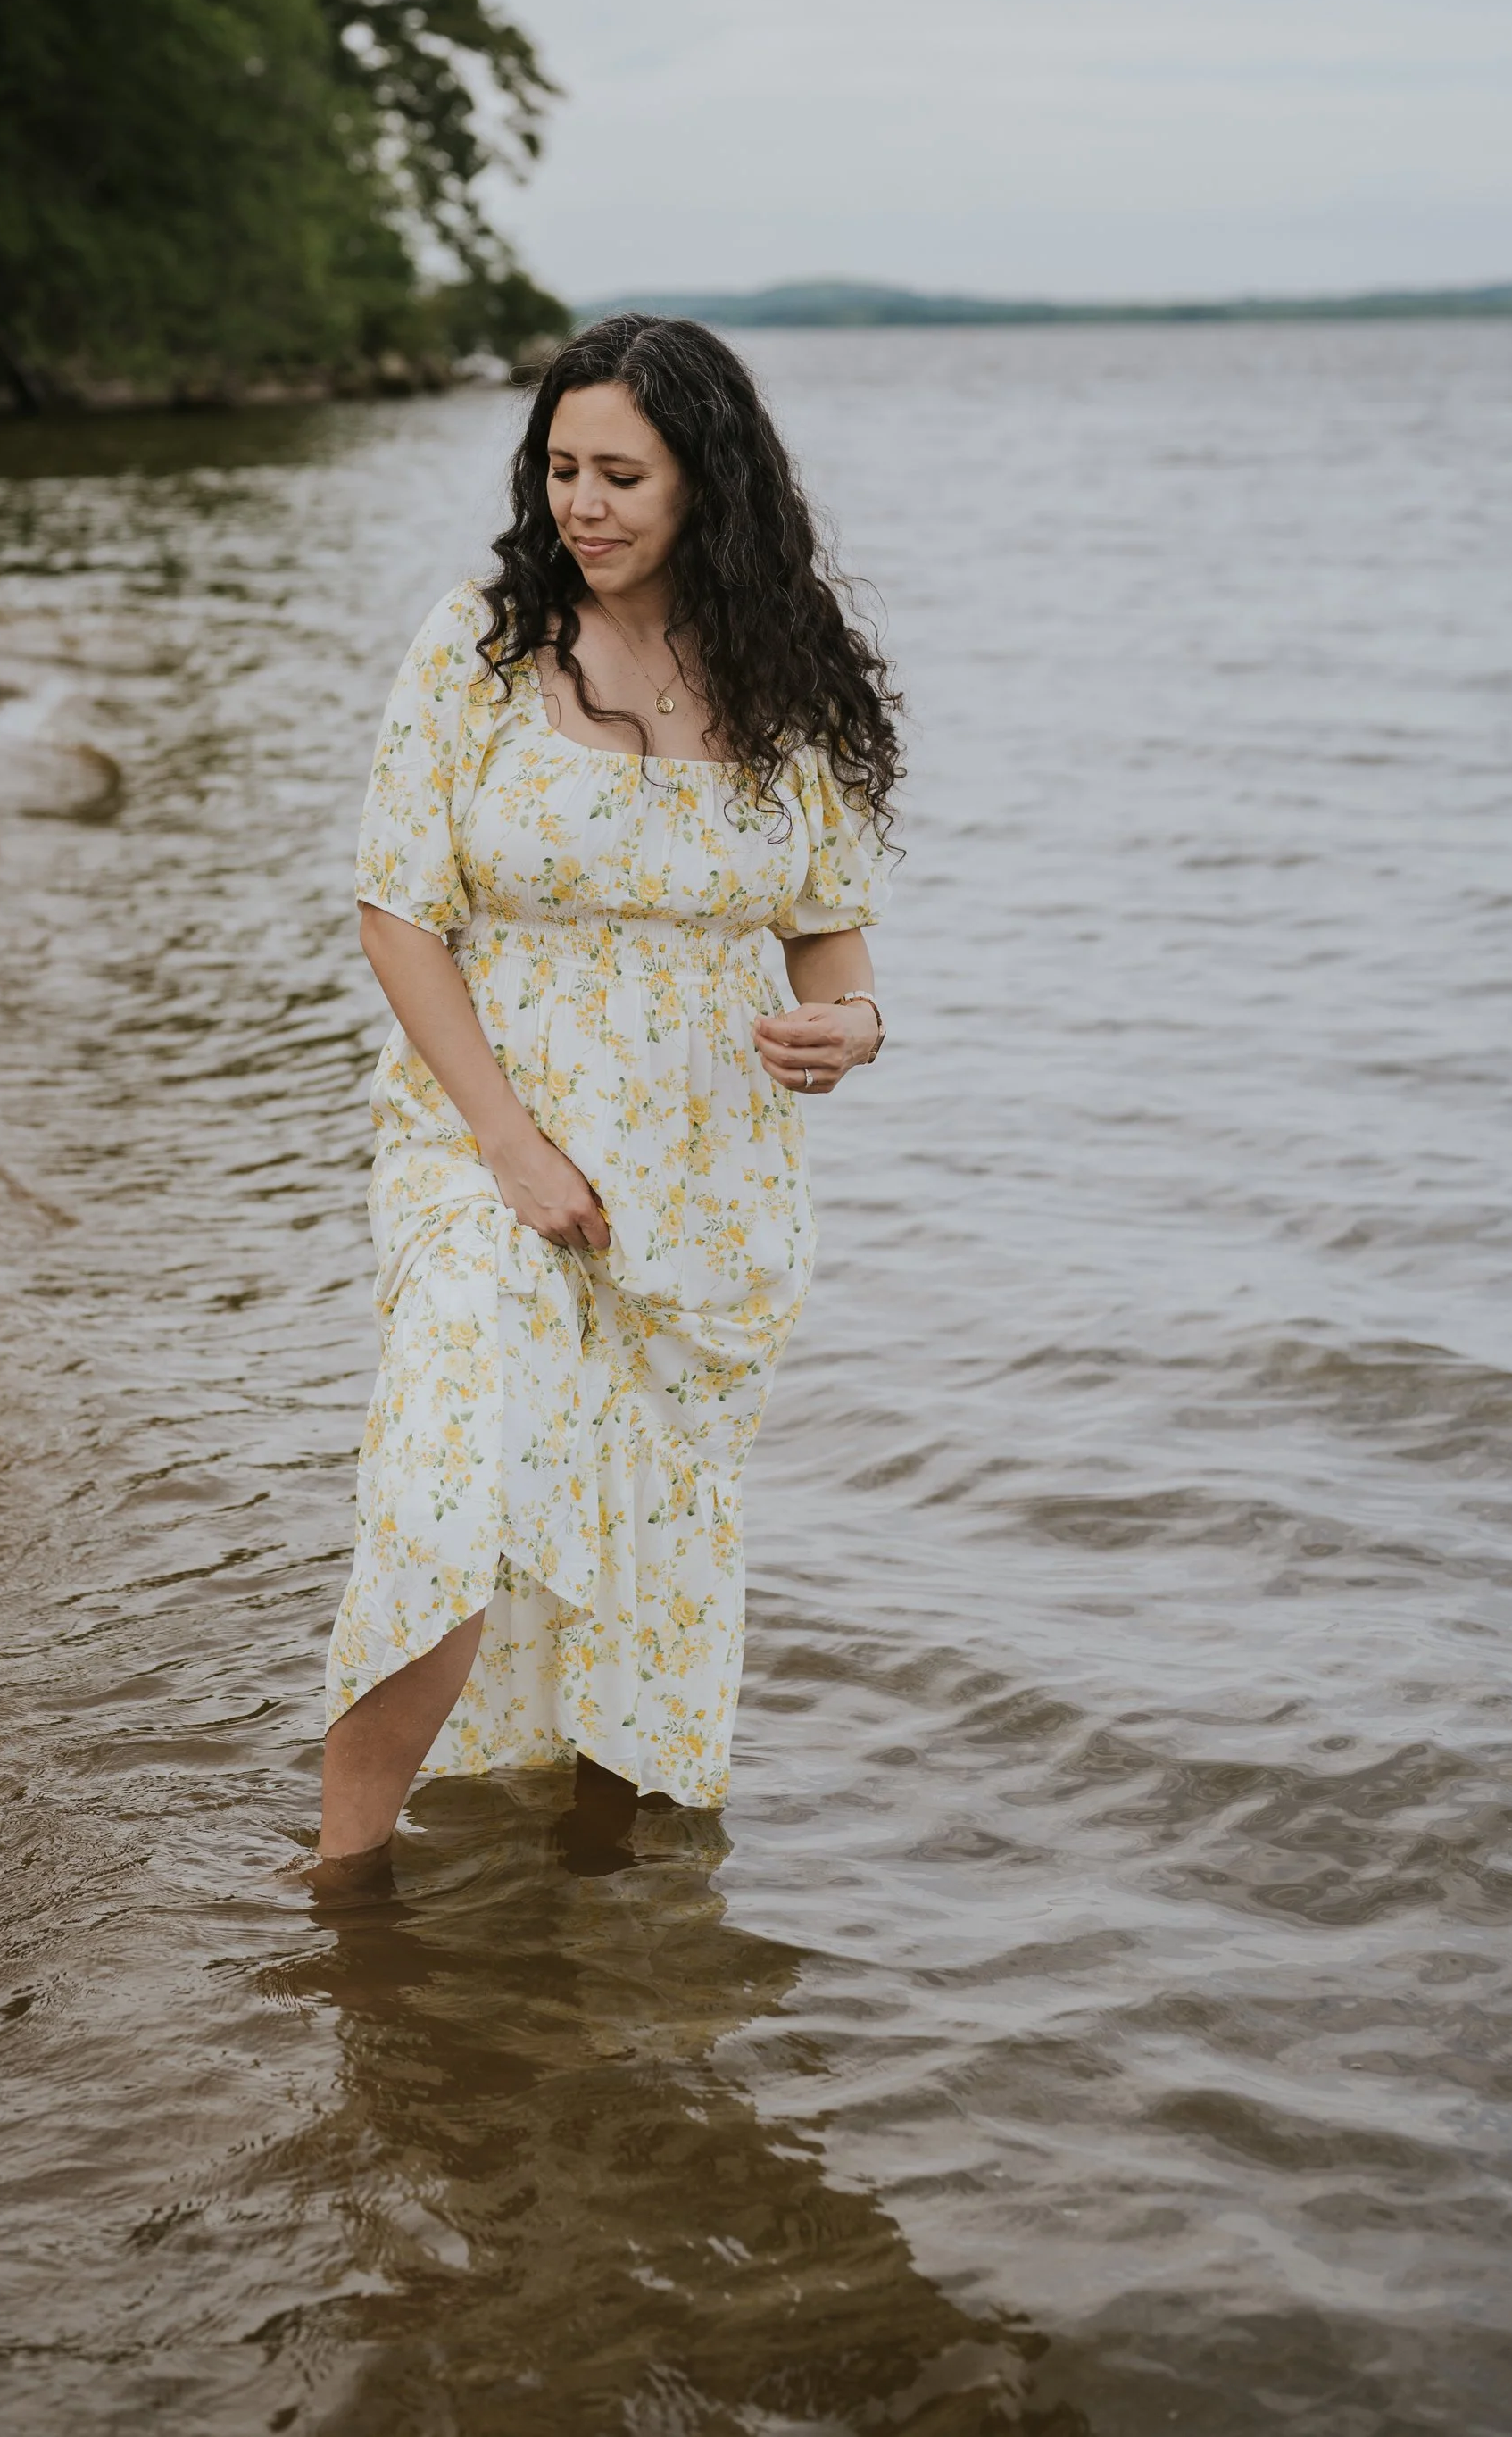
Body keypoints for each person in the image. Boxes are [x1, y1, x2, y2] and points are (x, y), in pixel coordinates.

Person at [317, 312, 902, 1879]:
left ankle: (599, 1906)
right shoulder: (483, 646)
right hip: (482, 1143)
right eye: (562, 467)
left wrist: (851, 1032)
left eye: (621, 474)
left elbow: (832, 950)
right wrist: (506, 1147)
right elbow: (397, 910)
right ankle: (341, 1877)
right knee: (445, 1485)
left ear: (707, 484)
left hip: (711, 1182)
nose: (583, 502)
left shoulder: (792, 677)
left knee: (647, 1535)